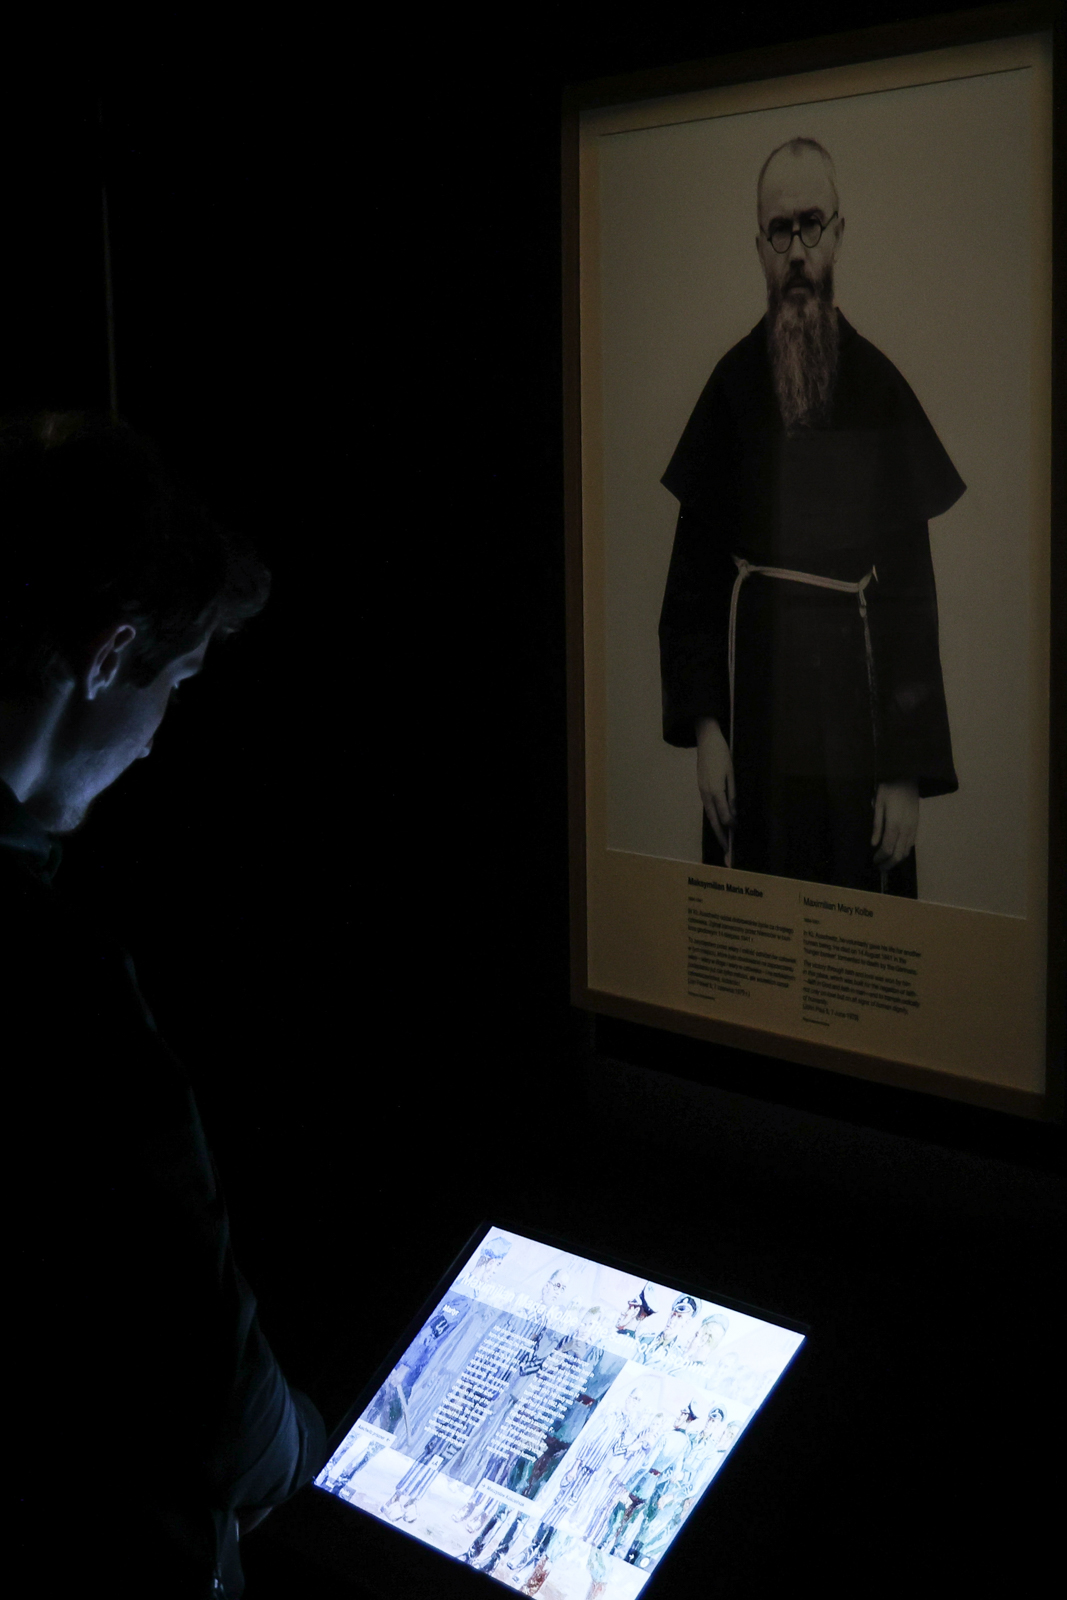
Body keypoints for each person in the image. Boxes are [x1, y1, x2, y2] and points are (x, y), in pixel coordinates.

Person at [4, 412, 328, 1599]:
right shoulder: (54, 985)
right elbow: (209, 1382)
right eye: (176, 685)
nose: (152, 746)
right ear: (110, 656)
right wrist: (308, 1451)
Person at [658, 137, 965, 895]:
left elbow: (909, 596)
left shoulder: (878, 389)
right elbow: (692, 588)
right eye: (778, 230)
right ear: (759, 246)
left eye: (811, 225)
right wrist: (707, 735)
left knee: (856, 933)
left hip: (858, 740)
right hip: (753, 732)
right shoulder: (729, 390)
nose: (796, 249)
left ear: (838, 233)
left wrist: (905, 773)